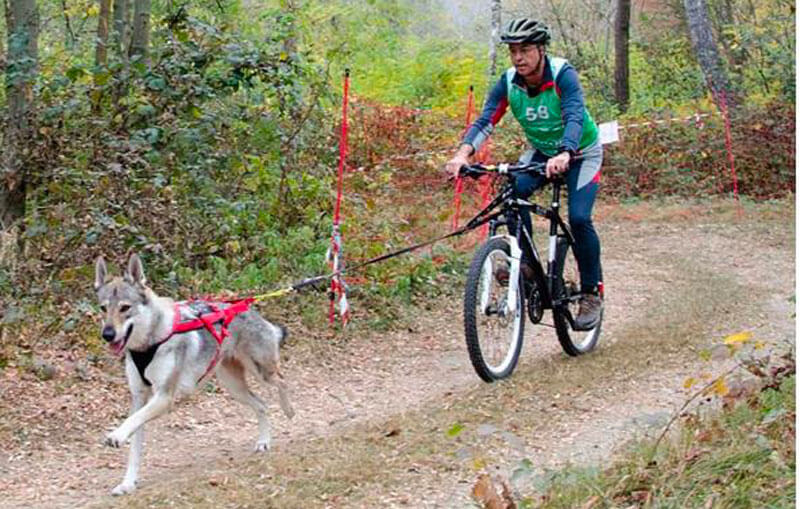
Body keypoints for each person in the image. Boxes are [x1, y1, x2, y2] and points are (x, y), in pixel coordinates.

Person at [445, 17, 603, 330]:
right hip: (542, 151)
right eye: (514, 51)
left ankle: (591, 292)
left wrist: (566, 152)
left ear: (541, 50)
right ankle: (528, 267)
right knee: (512, 193)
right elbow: (485, 120)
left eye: (526, 49)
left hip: (581, 151)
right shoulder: (508, 82)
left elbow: (573, 114)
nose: (519, 57)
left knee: (581, 218)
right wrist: (462, 154)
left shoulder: (562, 74)